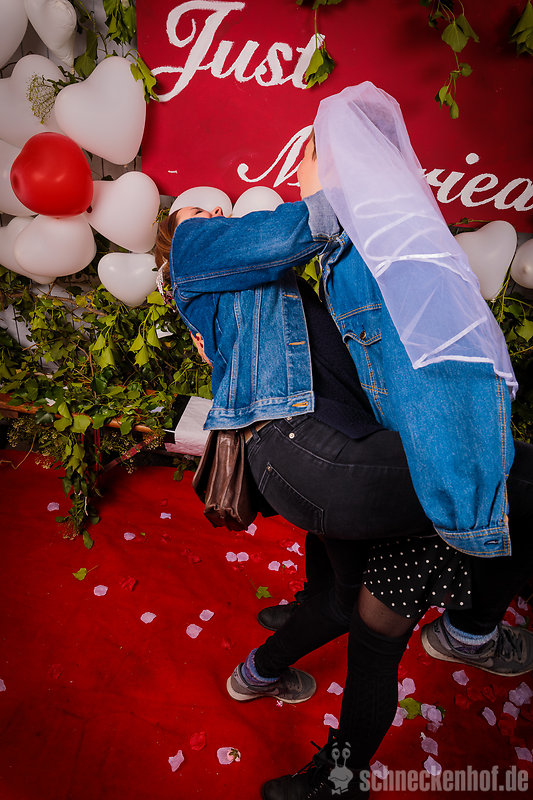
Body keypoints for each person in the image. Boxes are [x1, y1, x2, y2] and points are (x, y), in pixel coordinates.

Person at [153, 82, 532, 798]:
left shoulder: (290, 283)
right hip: (310, 449)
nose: (214, 213)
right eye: (195, 211)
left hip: (342, 454)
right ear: (176, 239)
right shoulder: (197, 254)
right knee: (510, 480)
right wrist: (357, 185)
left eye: (215, 208)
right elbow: (292, 229)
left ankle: (291, 718)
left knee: (354, 616)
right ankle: (473, 631)